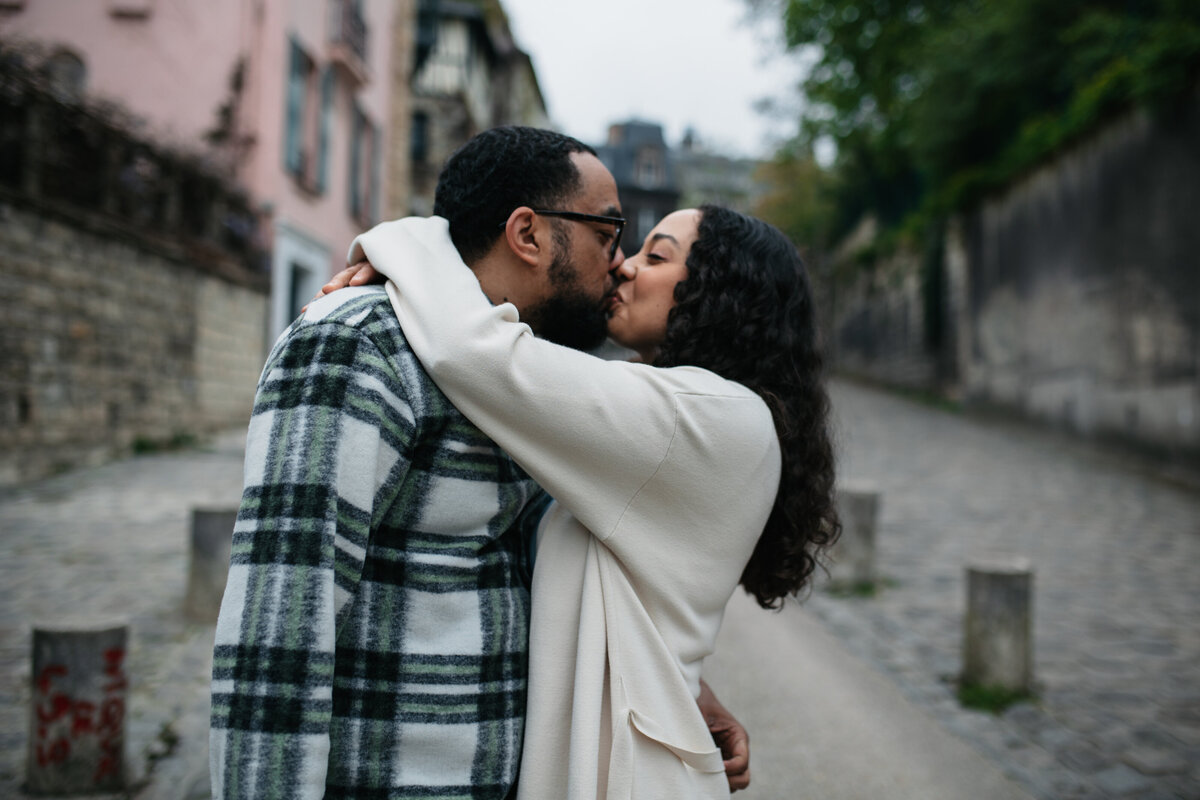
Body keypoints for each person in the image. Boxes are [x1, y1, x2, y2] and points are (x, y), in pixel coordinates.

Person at [210, 126, 746, 800]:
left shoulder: (534, 376)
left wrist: (685, 688)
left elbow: (575, 577)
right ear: (527, 235)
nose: (618, 262)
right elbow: (281, 622)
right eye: (608, 234)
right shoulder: (359, 344)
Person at [331, 203, 840, 798]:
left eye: (656, 255)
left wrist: (410, 241)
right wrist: (684, 687)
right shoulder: (700, 417)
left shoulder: (705, 414)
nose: (624, 267)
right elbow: (641, 586)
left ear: (721, 292)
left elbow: (478, 355)